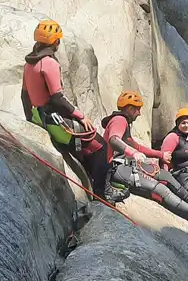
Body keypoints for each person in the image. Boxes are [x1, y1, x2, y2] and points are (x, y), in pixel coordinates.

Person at [21, 19, 127, 202]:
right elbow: (57, 98)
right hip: (55, 122)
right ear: (55, 41)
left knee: (87, 147)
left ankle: (93, 183)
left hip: (41, 117)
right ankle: (102, 194)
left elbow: (25, 96)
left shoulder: (29, 64)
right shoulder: (49, 63)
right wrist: (80, 116)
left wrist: (31, 120)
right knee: (101, 148)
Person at [102, 91, 188, 225]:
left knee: (165, 175)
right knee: (161, 189)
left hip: (127, 165)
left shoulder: (124, 122)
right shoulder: (119, 120)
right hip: (117, 169)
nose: (139, 113)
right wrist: (133, 153)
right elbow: (114, 139)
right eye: (137, 109)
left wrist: (160, 155)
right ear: (130, 109)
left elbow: (138, 147)